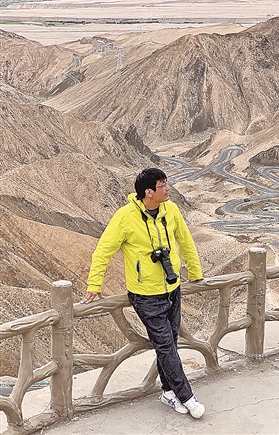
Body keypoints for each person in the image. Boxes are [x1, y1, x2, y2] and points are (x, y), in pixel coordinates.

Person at [81, 168, 205, 418]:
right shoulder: (125, 217)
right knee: (166, 346)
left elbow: (185, 241)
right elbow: (103, 251)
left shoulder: (171, 210)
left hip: (172, 287)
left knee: (169, 344)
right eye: (162, 185)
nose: (167, 189)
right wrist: (94, 285)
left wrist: (195, 271)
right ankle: (186, 396)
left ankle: (168, 392)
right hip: (145, 294)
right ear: (148, 192)